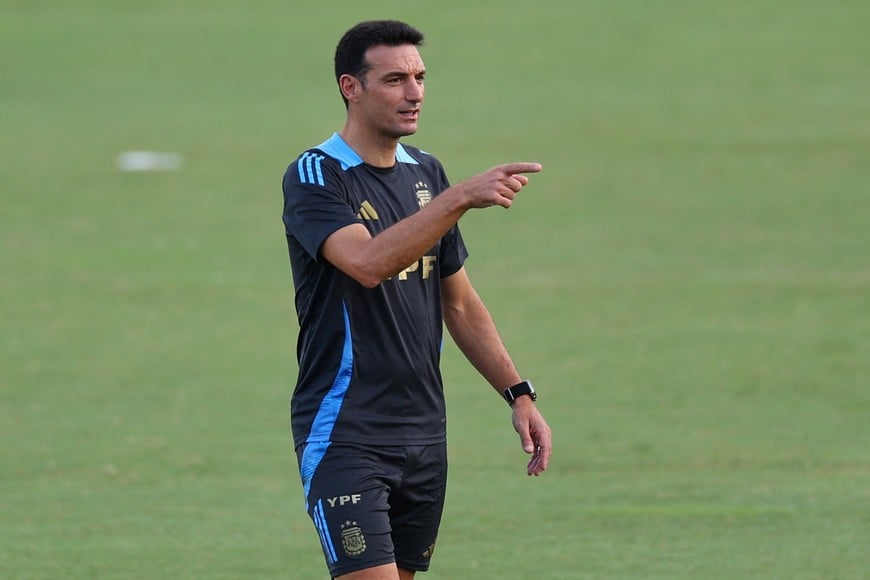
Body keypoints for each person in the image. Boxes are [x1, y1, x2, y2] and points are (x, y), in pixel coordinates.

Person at [281, 20, 552, 580]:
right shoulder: (316, 175)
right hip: (347, 432)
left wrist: (518, 394)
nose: (415, 93)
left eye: (421, 77)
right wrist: (457, 200)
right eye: (395, 79)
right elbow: (367, 264)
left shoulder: (426, 173)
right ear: (350, 87)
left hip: (424, 435)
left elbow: (460, 305)